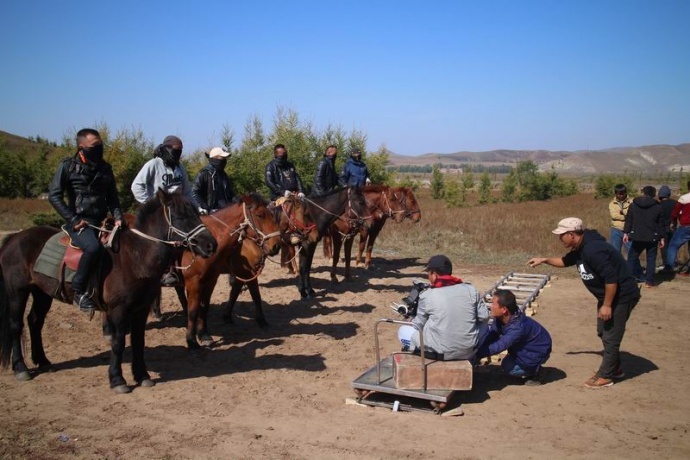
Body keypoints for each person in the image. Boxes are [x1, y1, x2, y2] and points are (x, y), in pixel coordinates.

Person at [528, 217, 640, 388]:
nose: (560, 239)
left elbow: (611, 280)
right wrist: (544, 260)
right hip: (607, 297)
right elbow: (565, 262)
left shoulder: (593, 250)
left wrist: (607, 305)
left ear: (572, 234)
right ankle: (614, 367)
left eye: (562, 235)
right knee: (603, 331)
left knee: (611, 336)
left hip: (621, 296)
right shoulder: (580, 247)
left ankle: (606, 375)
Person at [48, 128, 123, 313]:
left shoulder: (105, 168)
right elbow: (54, 196)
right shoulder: (67, 166)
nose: (99, 148)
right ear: (81, 147)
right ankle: (78, 290)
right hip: (80, 222)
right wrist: (73, 219)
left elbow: (112, 197)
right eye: (94, 146)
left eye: (100, 144)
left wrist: (119, 217)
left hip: (103, 219)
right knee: (93, 247)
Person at [131, 135, 196, 286]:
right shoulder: (153, 164)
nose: (178, 153)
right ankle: (166, 271)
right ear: (166, 149)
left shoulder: (180, 168)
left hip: (177, 211)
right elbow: (137, 186)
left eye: (180, 150)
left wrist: (196, 208)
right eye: (175, 150)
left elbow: (187, 192)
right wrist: (151, 204)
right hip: (159, 213)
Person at [397, 255, 489, 361]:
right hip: (468, 351)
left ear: (434, 274)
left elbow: (418, 325)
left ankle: (413, 351)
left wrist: (410, 320)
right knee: (485, 326)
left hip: (441, 353)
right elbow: (484, 316)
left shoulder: (427, 295)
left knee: (403, 330)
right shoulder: (471, 289)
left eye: (429, 273)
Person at [475, 289, 552, 386]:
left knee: (508, 366)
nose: (491, 307)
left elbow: (500, 345)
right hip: (529, 347)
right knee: (508, 360)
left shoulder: (517, 328)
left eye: (493, 304)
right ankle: (530, 365)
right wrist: (478, 346)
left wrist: (475, 354)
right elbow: (492, 335)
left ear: (504, 310)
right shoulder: (502, 319)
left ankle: (536, 371)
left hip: (538, 350)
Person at [623, 186, 664, 288]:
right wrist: (662, 237)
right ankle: (649, 281)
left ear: (643, 192)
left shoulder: (633, 205)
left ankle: (626, 280)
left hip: (637, 235)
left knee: (632, 258)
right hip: (652, 236)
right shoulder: (658, 206)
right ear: (654, 194)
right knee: (651, 259)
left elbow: (629, 220)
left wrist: (626, 233)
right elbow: (661, 224)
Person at [192, 146, 239, 214]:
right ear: (214, 158)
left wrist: (239, 201)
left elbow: (230, 194)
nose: (224, 160)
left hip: (225, 212)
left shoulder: (223, 175)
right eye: (222, 158)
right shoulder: (204, 173)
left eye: (225, 158)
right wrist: (206, 208)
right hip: (211, 214)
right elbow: (194, 192)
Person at [665, 180, 690, 274]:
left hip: (686, 226)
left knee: (673, 246)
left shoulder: (684, 198)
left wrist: (674, 223)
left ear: (688, 187)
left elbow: (675, 213)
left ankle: (669, 267)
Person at [608, 184, 634, 253]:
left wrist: (623, 213)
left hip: (629, 230)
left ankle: (632, 264)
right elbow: (614, 216)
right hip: (616, 229)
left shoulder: (632, 202)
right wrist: (627, 216)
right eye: (619, 194)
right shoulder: (612, 204)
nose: (621, 196)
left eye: (623, 193)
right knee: (615, 252)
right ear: (615, 193)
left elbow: (634, 214)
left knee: (631, 251)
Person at [657, 185, 677, 270]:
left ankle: (665, 264)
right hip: (673, 227)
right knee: (672, 246)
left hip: (662, 228)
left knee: (663, 246)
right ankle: (672, 263)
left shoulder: (658, 205)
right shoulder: (675, 203)